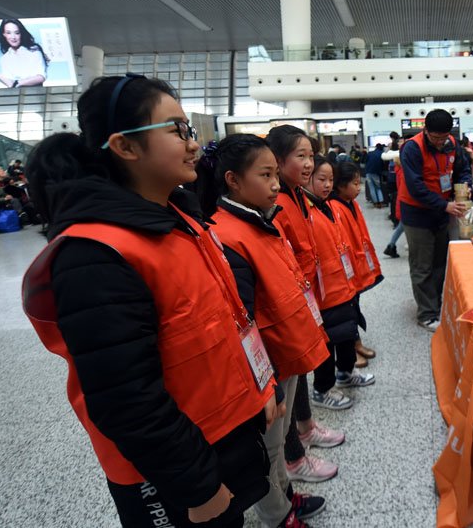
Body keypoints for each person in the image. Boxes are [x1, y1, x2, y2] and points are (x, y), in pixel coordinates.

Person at [21, 74, 280, 527]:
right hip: (170, 473)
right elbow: (125, 399)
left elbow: (225, 321)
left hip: (218, 435)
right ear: (124, 147)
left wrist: (262, 386)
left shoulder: (179, 219)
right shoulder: (95, 255)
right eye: (176, 130)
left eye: (190, 129)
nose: (193, 144)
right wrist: (198, 487)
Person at [195, 134, 329, 528]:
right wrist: (264, 381)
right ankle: (277, 515)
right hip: (266, 365)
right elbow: (242, 321)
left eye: (275, 174)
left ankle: (285, 495)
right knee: (268, 448)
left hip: (285, 352)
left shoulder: (260, 219)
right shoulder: (228, 234)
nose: (276, 184)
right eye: (265, 174)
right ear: (233, 180)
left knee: (280, 437)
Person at [265, 124, 345, 483]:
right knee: (293, 374)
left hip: (306, 297)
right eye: (301, 156)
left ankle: (306, 427)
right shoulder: (278, 203)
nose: (310, 164)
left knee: (302, 371)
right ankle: (295, 457)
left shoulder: (298, 194)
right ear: (277, 161)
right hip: (290, 304)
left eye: (311, 155)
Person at [304, 155, 375, 405]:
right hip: (322, 290)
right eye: (321, 179)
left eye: (330, 180)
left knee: (346, 331)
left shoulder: (330, 206)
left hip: (342, 283)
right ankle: (322, 390)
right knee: (328, 340)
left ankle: (346, 373)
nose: (326, 185)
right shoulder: (304, 210)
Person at [397, 108, 472, 331]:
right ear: (426, 131)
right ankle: (426, 314)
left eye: (444, 137)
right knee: (422, 265)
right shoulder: (412, 148)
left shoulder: (452, 144)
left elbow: (462, 170)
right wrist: (445, 205)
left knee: (440, 263)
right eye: (435, 137)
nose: (440, 142)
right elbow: (415, 187)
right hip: (417, 212)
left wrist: (465, 185)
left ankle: (437, 304)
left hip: (441, 211)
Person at [329, 160, 382, 368]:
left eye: (359, 184)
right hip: (345, 268)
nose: (359, 188)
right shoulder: (335, 207)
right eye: (355, 184)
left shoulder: (352, 203)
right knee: (348, 309)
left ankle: (356, 342)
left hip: (356, 265)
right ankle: (351, 346)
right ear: (341, 186)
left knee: (355, 305)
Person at [0, 19, 48, 88]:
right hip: (16, 95)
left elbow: (41, 77)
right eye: (8, 33)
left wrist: (18, 83)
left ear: (21, 33)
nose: (13, 37)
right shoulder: (4, 58)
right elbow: (10, 84)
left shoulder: (33, 50)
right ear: (4, 34)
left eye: (17, 33)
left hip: (36, 93)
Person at [364, 143, 386, 208]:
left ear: (376, 147)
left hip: (368, 172)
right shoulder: (382, 154)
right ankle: (381, 203)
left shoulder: (370, 153)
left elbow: (365, 161)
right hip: (376, 173)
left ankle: (375, 203)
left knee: (372, 188)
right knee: (378, 188)